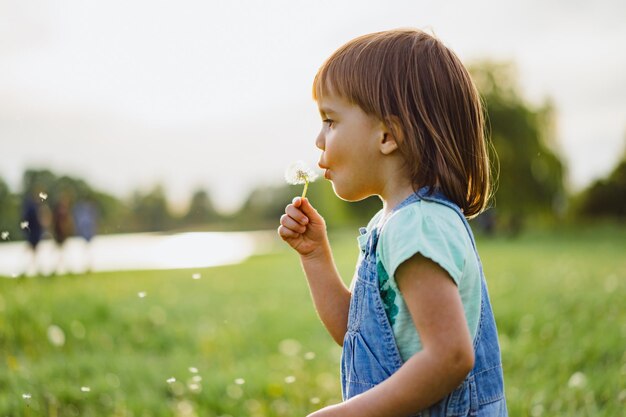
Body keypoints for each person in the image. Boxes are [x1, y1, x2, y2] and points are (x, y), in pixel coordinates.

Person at [278, 29, 507, 416]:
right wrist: (315, 256)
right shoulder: (394, 222)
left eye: (330, 121)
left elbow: (450, 357)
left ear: (388, 135)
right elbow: (359, 336)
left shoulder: (416, 226)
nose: (319, 139)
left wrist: (349, 412)